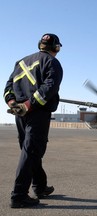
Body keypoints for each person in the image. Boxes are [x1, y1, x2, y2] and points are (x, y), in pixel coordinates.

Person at [3, 33, 63, 208]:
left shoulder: (20, 62)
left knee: (29, 150)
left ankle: (40, 186)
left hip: (20, 114)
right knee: (31, 152)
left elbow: (8, 86)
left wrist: (13, 102)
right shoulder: (52, 63)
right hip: (37, 112)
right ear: (56, 48)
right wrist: (29, 104)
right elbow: (49, 87)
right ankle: (19, 195)